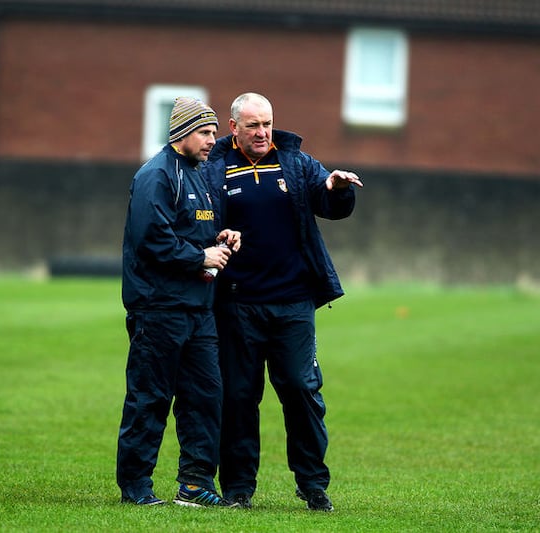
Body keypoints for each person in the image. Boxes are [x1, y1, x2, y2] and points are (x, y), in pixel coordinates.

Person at [204, 92, 363, 512]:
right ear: (234, 127)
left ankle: (312, 484)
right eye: (253, 125)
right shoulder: (214, 170)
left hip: (293, 303)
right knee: (238, 395)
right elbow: (199, 225)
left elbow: (328, 202)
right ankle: (238, 488)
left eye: (267, 123)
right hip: (238, 304)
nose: (262, 132)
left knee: (300, 388)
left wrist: (337, 189)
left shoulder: (296, 163)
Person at [116, 97, 241, 507]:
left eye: (212, 132)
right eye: (205, 133)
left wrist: (220, 239)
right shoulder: (156, 176)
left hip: (198, 310)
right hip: (158, 309)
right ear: (183, 133)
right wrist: (200, 257)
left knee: (206, 397)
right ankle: (135, 487)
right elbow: (152, 241)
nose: (212, 140)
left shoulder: (199, 174)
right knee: (149, 398)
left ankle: (195, 484)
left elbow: (192, 229)